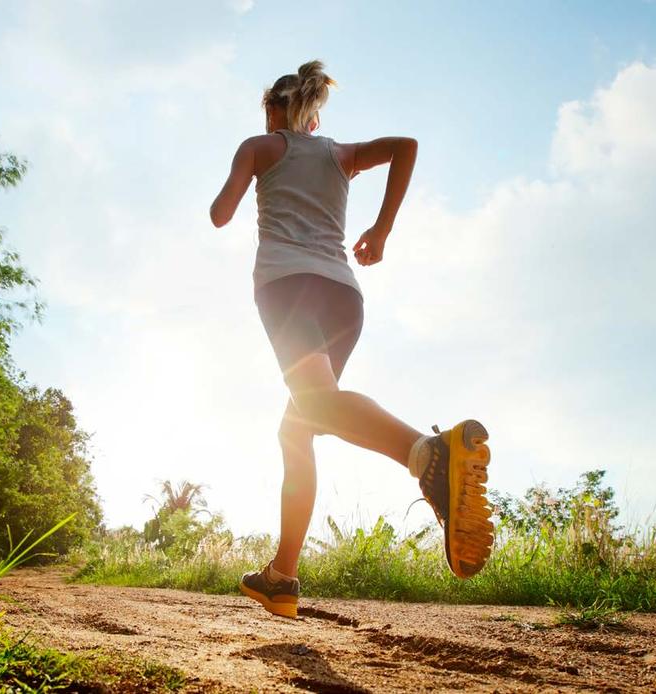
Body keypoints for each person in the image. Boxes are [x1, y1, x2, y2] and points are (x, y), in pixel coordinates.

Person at [209, 60, 493, 620]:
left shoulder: (260, 146)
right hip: (343, 295)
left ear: (274, 112)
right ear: (313, 116)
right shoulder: (340, 154)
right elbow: (405, 146)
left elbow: (221, 215)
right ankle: (282, 576)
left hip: (287, 287)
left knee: (313, 407)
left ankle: (427, 453)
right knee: (299, 426)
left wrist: (247, 171)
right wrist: (381, 229)